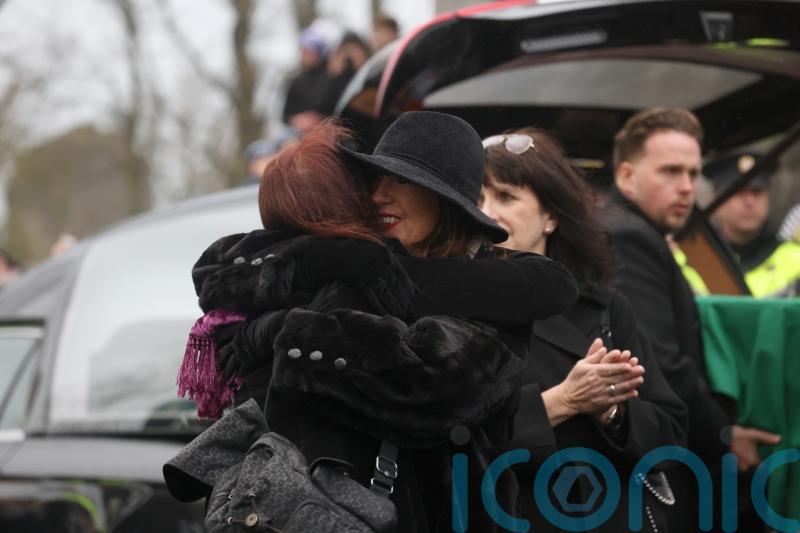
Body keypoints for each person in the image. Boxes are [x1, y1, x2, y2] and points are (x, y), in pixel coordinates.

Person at [176, 114, 578, 532]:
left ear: (446, 201)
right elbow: (218, 268)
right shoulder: (357, 268)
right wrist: (332, 262)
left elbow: (422, 387)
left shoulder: (495, 302)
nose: (381, 196)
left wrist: (282, 333)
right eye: (377, 180)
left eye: (403, 182)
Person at [481, 128, 688, 531]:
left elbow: (671, 436)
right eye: (476, 198)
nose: (487, 212)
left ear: (552, 217)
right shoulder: (446, 306)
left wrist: (612, 411)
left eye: (505, 196)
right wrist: (563, 401)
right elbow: (447, 439)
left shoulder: (604, 308)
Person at [603, 107, 781, 530]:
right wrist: (724, 436)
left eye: (692, 174)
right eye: (670, 171)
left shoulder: (637, 231)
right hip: (664, 461)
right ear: (626, 177)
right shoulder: (629, 235)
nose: (686, 187)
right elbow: (659, 360)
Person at [705, 151, 800, 297]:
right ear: (716, 197)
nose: (750, 202)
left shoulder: (795, 258)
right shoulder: (686, 259)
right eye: (739, 192)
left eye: (757, 192)